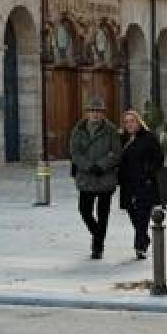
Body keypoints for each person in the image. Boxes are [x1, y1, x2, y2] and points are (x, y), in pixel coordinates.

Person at [69, 96, 121, 260]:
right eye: (92, 111)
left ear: (103, 114)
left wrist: (101, 165)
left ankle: (97, 247)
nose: (95, 115)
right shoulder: (78, 130)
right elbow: (74, 153)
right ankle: (98, 235)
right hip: (86, 177)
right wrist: (88, 166)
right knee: (84, 210)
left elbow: (116, 153)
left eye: (98, 111)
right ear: (87, 113)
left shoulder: (111, 130)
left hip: (105, 178)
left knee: (103, 213)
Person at [118, 109, 163, 260]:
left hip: (145, 183)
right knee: (133, 214)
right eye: (126, 122)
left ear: (138, 122)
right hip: (128, 184)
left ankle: (140, 247)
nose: (129, 124)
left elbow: (158, 158)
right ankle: (144, 238)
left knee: (143, 215)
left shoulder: (149, 138)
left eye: (132, 121)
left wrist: (148, 171)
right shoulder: (123, 139)